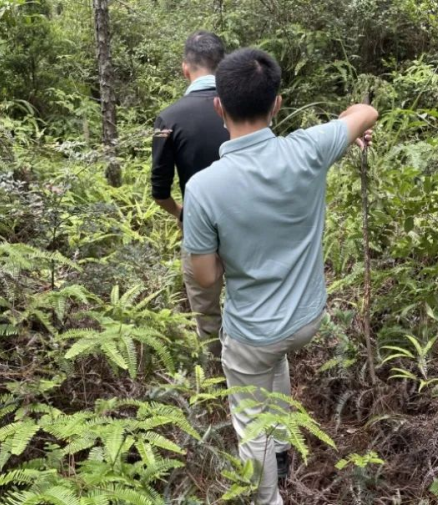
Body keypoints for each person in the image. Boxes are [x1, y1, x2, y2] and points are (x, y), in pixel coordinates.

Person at [182, 48, 378, 504]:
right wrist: (344, 129)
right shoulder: (311, 148)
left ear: (218, 106)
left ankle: (267, 498)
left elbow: (206, 279)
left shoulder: (203, 188)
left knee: (250, 421)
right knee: (277, 360)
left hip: (254, 333)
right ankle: (285, 449)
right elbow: (366, 112)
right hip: (306, 318)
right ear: (277, 104)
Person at [151, 31, 229, 357]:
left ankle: (214, 390)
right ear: (222, 66)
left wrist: (181, 213)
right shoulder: (244, 110)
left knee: (207, 317)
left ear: (186, 69)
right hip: (249, 225)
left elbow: (159, 189)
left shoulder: (169, 118)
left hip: (199, 231)